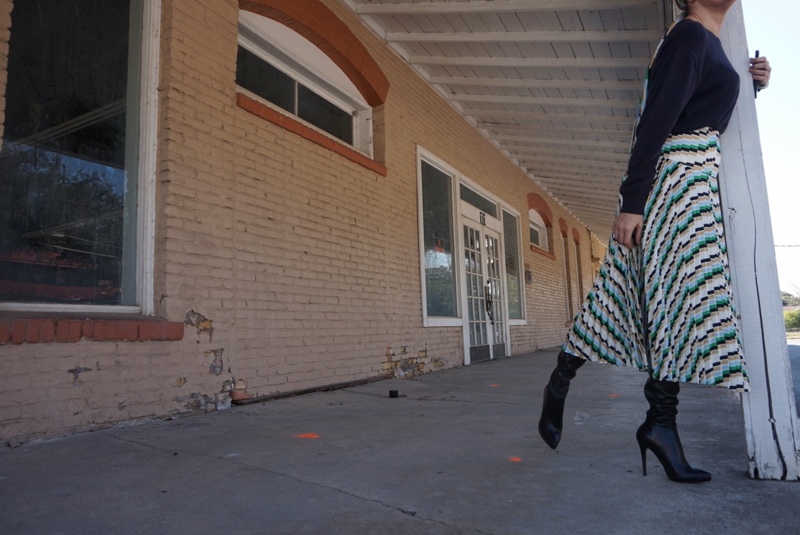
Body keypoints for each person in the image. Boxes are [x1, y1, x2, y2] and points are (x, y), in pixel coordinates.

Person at [537, 0, 772, 483]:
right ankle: (647, 418)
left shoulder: (708, 45)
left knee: (653, 297)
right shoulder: (689, 37)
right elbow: (656, 126)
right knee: (672, 300)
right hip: (674, 188)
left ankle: (648, 419)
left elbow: (702, 114)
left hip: (694, 188)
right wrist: (632, 202)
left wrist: (751, 86)